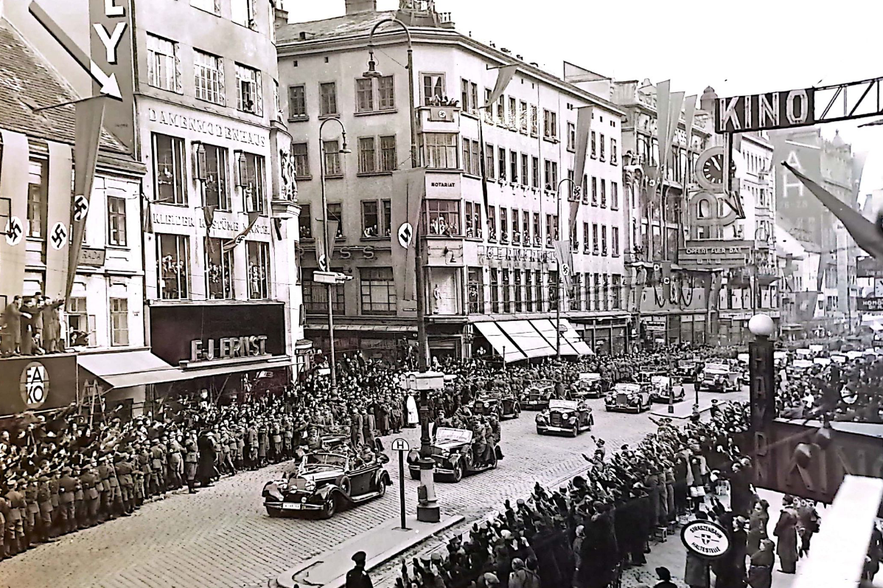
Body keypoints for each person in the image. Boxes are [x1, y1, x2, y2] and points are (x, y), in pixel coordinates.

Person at [773, 495, 799, 574]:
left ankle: (786, 568)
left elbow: (781, 523)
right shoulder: (794, 511)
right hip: (792, 532)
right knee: (792, 550)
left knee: (784, 550)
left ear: (786, 501)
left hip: (785, 533)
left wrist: (776, 531)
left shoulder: (785, 512)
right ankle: (792, 568)